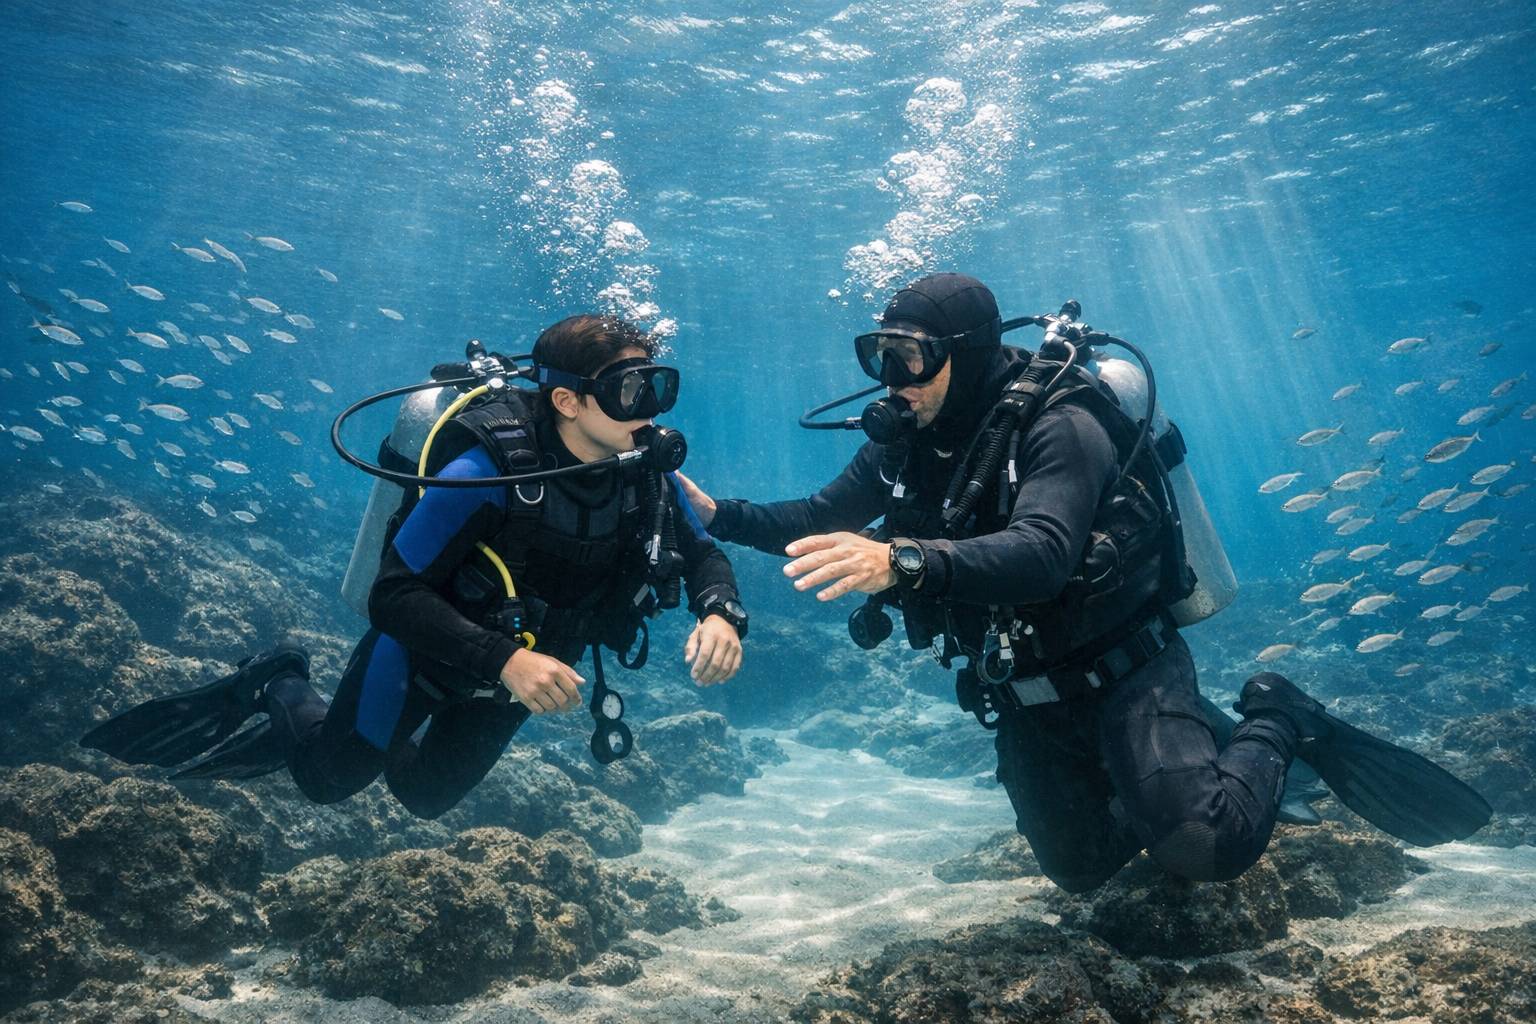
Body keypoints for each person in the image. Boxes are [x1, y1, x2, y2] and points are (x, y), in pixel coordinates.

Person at [678, 272, 1488, 892]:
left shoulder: (1059, 423)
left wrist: (903, 560)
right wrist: (721, 516)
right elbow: (821, 513)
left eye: (910, 356)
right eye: (878, 355)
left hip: (1127, 670)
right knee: (1080, 868)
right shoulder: (911, 435)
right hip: (1027, 692)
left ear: (964, 352)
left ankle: (1277, 716)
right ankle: (1178, 764)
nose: (892, 377)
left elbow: (1043, 553)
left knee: (1201, 846)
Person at [82, 314, 749, 819]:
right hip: (428, 653)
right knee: (328, 780)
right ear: (566, 401)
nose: (649, 411)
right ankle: (279, 680)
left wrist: (719, 612)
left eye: (656, 388)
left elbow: (702, 552)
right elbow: (393, 592)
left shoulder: (642, 471)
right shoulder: (488, 471)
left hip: (526, 667)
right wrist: (505, 662)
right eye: (628, 392)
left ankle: (343, 732)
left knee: (425, 797)